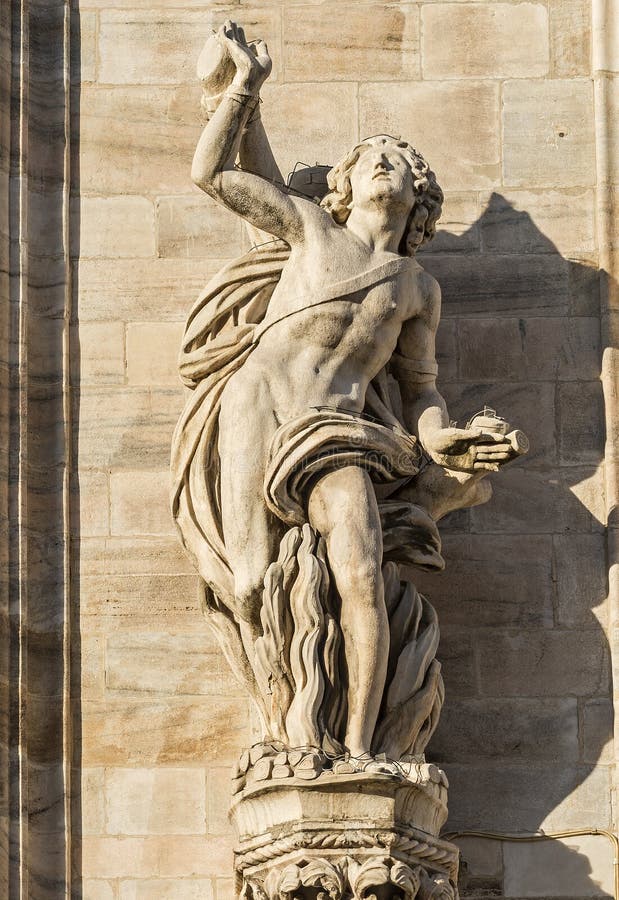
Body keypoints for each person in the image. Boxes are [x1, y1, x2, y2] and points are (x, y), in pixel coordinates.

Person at [171, 22, 518, 759]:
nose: (383, 167)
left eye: (398, 161)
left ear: (418, 195)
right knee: (253, 578)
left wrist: (444, 437)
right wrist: (243, 90)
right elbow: (211, 175)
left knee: (360, 571)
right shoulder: (307, 230)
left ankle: (362, 749)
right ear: (346, 184)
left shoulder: (418, 288)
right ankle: (288, 732)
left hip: (337, 429)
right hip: (258, 404)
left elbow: (419, 387)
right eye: (370, 161)